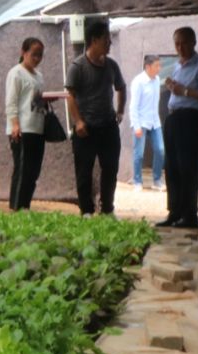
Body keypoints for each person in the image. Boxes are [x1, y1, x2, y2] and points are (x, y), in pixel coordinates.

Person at [65, 21, 126, 216]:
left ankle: (107, 209)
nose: (110, 43)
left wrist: (120, 111)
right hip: (86, 129)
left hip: (108, 127)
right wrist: (78, 121)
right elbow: (70, 96)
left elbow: (121, 87)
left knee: (110, 169)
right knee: (84, 172)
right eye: (106, 40)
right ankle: (86, 212)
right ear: (94, 40)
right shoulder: (78, 67)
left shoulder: (112, 65)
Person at [157, 27, 198, 228]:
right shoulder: (178, 66)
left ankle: (189, 214)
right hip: (173, 118)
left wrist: (184, 90)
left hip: (190, 118)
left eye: (184, 43)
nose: (180, 47)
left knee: (188, 167)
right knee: (172, 167)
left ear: (194, 42)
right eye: (177, 43)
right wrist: (173, 87)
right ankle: (174, 212)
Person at [5, 37, 47, 210]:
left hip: (37, 127)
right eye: (33, 54)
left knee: (33, 171)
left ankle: (25, 205)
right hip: (22, 128)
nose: (37, 59)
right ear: (23, 53)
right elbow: (11, 102)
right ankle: (16, 207)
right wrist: (15, 124)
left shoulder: (39, 76)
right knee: (22, 169)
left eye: (40, 55)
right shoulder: (16, 73)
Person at [129, 54, 164, 192]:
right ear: (148, 66)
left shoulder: (157, 80)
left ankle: (157, 180)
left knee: (160, 150)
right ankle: (137, 181)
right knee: (139, 153)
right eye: (156, 66)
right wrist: (136, 125)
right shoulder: (138, 82)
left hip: (155, 121)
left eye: (159, 65)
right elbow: (133, 106)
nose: (159, 68)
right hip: (141, 122)